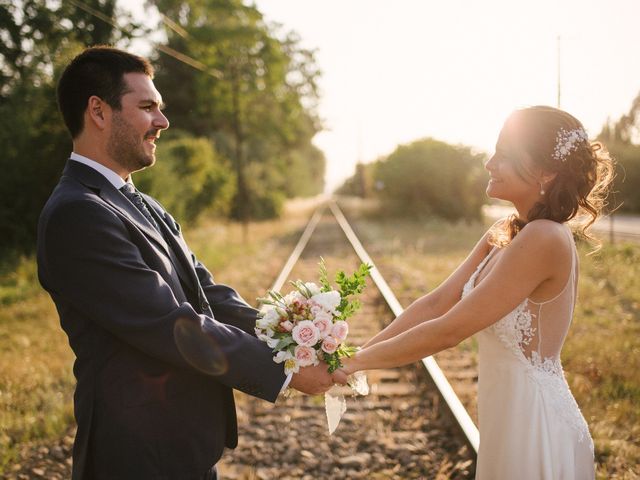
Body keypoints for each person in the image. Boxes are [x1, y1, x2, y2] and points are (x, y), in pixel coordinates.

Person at [37, 46, 336, 480]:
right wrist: (286, 373)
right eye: (147, 107)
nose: (163, 122)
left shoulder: (143, 204)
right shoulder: (77, 213)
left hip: (180, 447)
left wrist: (294, 340)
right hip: (136, 455)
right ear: (98, 112)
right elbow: (171, 322)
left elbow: (207, 295)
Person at [336, 106, 614, 479]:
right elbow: (435, 304)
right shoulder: (506, 231)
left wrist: (353, 365)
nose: (488, 163)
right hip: (507, 416)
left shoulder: (544, 237)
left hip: (535, 422)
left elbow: (450, 330)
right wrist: (355, 353)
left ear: (546, 172)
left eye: (505, 155)